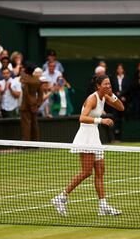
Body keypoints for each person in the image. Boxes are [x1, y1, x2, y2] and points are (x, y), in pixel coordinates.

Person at [51, 74, 124, 216]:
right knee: (86, 172)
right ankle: (61, 197)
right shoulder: (92, 98)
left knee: (100, 171)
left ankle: (103, 206)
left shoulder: (106, 96)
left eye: (109, 84)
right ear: (98, 86)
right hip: (85, 137)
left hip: (94, 137)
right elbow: (82, 118)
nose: (108, 86)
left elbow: (121, 108)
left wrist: (112, 95)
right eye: (105, 84)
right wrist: (101, 121)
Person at [20, 61, 43, 141]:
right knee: (34, 124)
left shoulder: (25, 80)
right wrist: (37, 105)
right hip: (35, 106)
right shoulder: (38, 80)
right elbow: (41, 95)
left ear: (26, 69)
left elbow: (26, 94)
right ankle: (35, 143)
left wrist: (31, 105)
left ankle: (26, 144)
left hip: (26, 106)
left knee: (26, 125)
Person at [111, 63, 131, 140]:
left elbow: (128, 88)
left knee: (124, 117)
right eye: (118, 69)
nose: (119, 70)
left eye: (121, 69)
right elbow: (112, 88)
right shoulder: (113, 78)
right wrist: (118, 96)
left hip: (124, 100)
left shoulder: (127, 78)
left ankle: (124, 136)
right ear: (117, 70)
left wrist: (122, 96)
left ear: (123, 70)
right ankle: (116, 136)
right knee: (116, 118)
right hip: (115, 100)